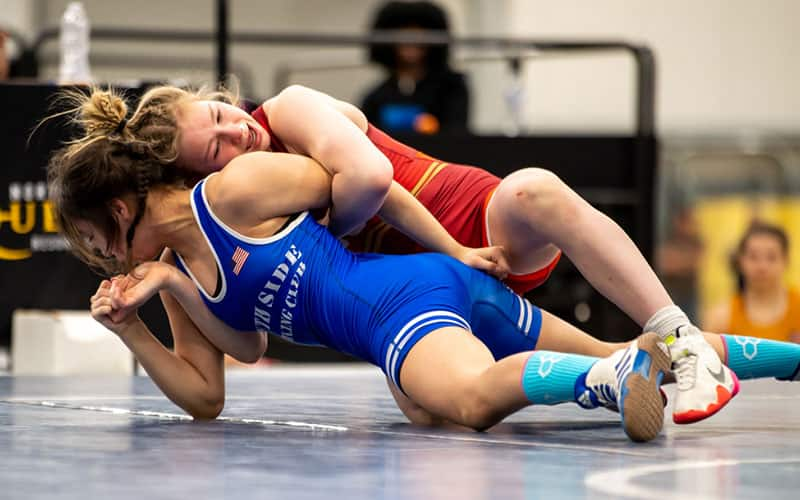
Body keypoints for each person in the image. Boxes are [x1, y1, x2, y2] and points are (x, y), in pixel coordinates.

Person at [59, 83, 793, 425]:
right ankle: (780, 357)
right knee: (429, 411)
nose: (233, 139)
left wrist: (450, 247)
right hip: (415, 284)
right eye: (211, 149)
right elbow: (227, 369)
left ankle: (634, 359)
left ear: (124, 211)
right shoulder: (191, 257)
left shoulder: (253, 162)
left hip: (448, 241)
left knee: (470, 397)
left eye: (100, 249)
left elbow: (368, 182)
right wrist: (145, 309)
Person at [361, 1, 469, 134]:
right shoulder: (376, 96)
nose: (411, 43)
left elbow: (457, 136)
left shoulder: (451, 88)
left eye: (419, 35)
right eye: (404, 35)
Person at [704, 221, 800, 343]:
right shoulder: (721, 318)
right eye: (753, 257)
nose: (762, 266)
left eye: (771, 257)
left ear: (786, 260)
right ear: (741, 261)